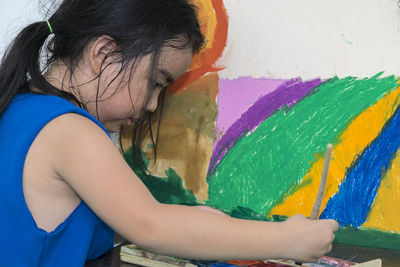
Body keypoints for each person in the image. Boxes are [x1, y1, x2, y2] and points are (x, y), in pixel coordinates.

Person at [0, 0, 338, 266]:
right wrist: (286, 240)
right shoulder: (71, 130)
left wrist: (202, 222)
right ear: (104, 54)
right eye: (155, 82)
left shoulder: (22, 107)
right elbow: (152, 225)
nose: (152, 104)